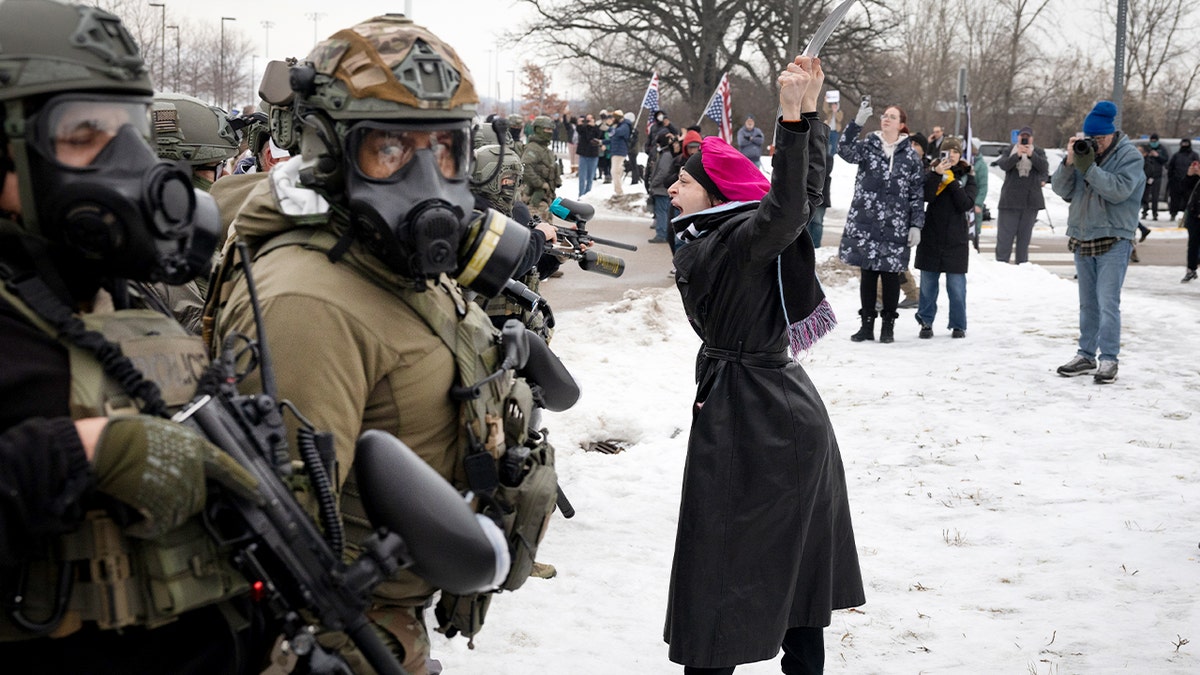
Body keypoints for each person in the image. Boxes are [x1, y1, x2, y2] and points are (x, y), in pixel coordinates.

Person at [209, 15, 553, 673]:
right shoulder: (310, 306)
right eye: (390, 150)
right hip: (347, 646)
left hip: (398, 630)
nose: (426, 178)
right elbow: (280, 557)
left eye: (444, 149)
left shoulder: (394, 264)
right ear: (333, 153)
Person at [0, 1, 273, 671]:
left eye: (132, 129)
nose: (127, 163)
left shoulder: (107, 289)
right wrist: (83, 450)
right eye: (85, 132)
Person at [665, 54, 863, 675]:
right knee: (766, 554)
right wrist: (807, 110)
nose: (671, 188)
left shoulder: (742, 239)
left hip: (760, 418)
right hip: (762, 407)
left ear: (718, 194)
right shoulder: (718, 234)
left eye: (685, 181)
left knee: (729, 557)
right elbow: (799, 196)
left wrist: (794, 118)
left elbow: (788, 206)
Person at [1050, 100, 1144, 384]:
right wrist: (1069, 163)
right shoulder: (1084, 152)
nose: (1097, 143)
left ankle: (1109, 360)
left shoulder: (1131, 156)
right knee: (1087, 303)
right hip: (1083, 234)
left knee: (1107, 303)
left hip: (1115, 237)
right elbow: (1060, 189)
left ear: (1112, 133)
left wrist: (1089, 169)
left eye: (1101, 138)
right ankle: (1086, 355)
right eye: (1092, 138)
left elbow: (1119, 191)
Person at [837, 100, 925, 343]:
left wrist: (916, 224)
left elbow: (917, 193)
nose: (886, 119)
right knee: (867, 274)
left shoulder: (910, 156)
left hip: (895, 225)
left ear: (902, 125)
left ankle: (888, 325)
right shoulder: (868, 147)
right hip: (867, 222)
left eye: (892, 117)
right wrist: (856, 124)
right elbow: (843, 151)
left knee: (889, 275)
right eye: (884, 115)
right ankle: (866, 325)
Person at [915, 136, 977, 339]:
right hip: (932, 235)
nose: (951, 156)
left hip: (956, 240)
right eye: (947, 152)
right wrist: (936, 175)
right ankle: (926, 322)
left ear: (960, 155)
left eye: (955, 152)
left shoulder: (967, 176)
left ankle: (958, 324)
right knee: (927, 286)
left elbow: (965, 204)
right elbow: (927, 196)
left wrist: (952, 182)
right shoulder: (931, 171)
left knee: (956, 287)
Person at [993, 125, 1049, 264]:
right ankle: (1001, 266)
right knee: (1004, 239)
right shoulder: (1009, 150)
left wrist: (1031, 155)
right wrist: (1017, 155)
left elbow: (1043, 167)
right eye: (1022, 136)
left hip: (1030, 202)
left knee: (1024, 241)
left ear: (1032, 138)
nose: (1024, 140)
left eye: (1027, 137)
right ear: (1018, 137)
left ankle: (1022, 268)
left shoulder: (1039, 152)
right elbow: (1003, 165)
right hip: (1009, 202)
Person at [521, 115, 563, 221]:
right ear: (538, 129)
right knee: (537, 228)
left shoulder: (546, 150)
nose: (550, 132)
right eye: (547, 129)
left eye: (551, 130)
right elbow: (525, 167)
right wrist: (540, 183)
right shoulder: (533, 148)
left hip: (546, 198)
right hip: (535, 198)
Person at [648, 130, 676, 244]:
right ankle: (663, 233)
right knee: (663, 211)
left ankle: (661, 234)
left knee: (661, 212)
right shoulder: (667, 154)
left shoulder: (666, 155)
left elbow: (663, 172)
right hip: (662, 189)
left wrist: (653, 182)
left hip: (661, 189)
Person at [1166, 138, 1199, 222]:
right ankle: (1173, 214)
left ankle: (1187, 215)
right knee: (1174, 200)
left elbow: (1197, 166)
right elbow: (1170, 167)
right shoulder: (1176, 155)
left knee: (1188, 200)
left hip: (1191, 182)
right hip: (1177, 181)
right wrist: (1171, 179)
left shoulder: (1194, 155)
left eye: (1186, 144)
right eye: (1183, 144)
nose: (1184, 145)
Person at [1140, 133, 1168, 225]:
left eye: (1154, 141)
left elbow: (1165, 159)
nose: (1153, 143)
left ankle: (1155, 213)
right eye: (1151, 141)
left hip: (1157, 176)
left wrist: (1157, 156)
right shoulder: (1147, 148)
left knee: (1155, 196)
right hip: (1146, 176)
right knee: (1145, 195)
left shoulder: (1162, 149)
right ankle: (1145, 211)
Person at [575, 112, 603, 196]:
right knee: (582, 176)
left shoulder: (597, 128)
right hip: (583, 154)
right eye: (587, 119)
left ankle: (587, 193)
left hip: (593, 155)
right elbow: (580, 131)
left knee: (590, 177)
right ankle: (581, 194)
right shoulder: (583, 128)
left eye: (591, 119)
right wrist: (579, 124)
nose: (589, 121)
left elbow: (597, 136)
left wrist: (593, 127)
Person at [1182, 160, 1200, 282]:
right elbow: (1184, 189)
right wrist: (1189, 175)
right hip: (1195, 214)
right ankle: (1191, 269)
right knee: (1193, 244)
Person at [970, 139, 989, 251]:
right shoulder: (964, 161)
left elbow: (983, 186)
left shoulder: (980, 165)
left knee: (974, 233)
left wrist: (978, 203)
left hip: (974, 202)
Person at [610, 110, 633, 195]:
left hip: (619, 151)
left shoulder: (625, 125)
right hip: (615, 151)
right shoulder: (619, 125)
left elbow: (619, 133)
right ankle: (618, 190)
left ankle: (619, 191)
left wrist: (611, 128)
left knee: (614, 171)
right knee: (617, 171)